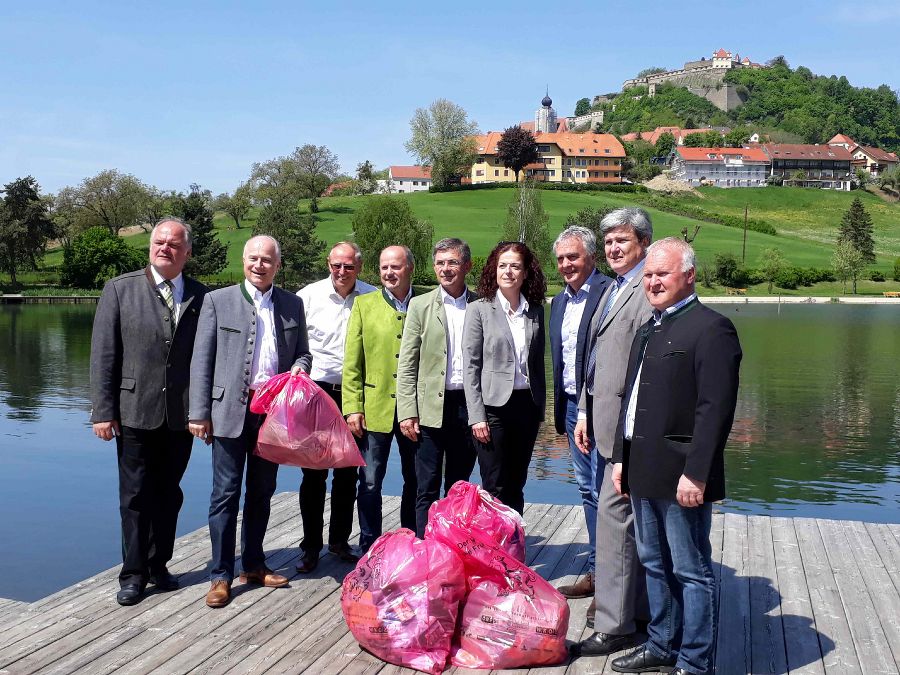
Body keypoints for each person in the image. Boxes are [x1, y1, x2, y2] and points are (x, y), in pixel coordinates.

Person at [608, 238, 741, 675]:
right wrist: (619, 459)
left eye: (661, 273)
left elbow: (714, 409)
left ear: (689, 275)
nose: (652, 282)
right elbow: (632, 402)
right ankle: (662, 643)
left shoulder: (711, 327)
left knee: (691, 570)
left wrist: (697, 474)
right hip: (642, 469)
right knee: (653, 563)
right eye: (647, 275)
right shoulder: (650, 328)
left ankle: (695, 660)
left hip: (683, 475)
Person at [189, 235, 312, 608]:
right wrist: (198, 413)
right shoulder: (217, 300)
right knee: (225, 494)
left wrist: (299, 369)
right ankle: (220, 575)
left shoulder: (293, 304)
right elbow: (201, 360)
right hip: (228, 413)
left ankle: (254, 565)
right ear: (244, 261)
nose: (259, 265)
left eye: (267, 260)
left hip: (273, 414)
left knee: (261, 492)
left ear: (278, 264)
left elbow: (304, 353)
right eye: (253, 259)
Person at [90, 217, 208, 606]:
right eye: (159, 242)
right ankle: (133, 574)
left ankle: (160, 564)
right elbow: (104, 355)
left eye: (174, 244)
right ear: (150, 246)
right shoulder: (120, 290)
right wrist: (103, 411)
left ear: (186, 253)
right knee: (135, 495)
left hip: (181, 415)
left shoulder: (200, 296)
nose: (165, 248)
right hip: (133, 411)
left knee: (169, 494)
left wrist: (204, 410)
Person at [571, 207, 654, 655]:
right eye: (608, 243)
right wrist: (584, 411)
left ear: (642, 242)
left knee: (616, 522)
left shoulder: (648, 288)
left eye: (621, 241)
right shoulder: (614, 288)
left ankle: (616, 624)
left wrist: (626, 433)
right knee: (623, 522)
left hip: (630, 432)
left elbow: (643, 370)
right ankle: (633, 611)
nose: (613, 249)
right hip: (601, 425)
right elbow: (595, 360)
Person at [294, 242, 376, 573]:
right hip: (317, 392)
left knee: (347, 473)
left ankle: (339, 541)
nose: (341, 272)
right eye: (336, 265)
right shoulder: (307, 297)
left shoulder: (372, 297)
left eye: (349, 267)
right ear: (328, 263)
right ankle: (310, 546)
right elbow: (297, 345)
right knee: (313, 475)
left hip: (357, 394)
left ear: (360, 267)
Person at [398, 238, 478, 537]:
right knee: (426, 485)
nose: (446, 269)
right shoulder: (420, 305)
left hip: (467, 407)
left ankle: (454, 548)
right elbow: (407, 363)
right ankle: (425, 550)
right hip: (430, 407)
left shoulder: (481, 304)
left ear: (466, 266)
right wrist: (407, 412)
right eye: (441, 263)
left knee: (458, 486)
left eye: (453, 262)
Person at [549, 226, 612, 600]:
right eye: (560, 259)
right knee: (588, 490)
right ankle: (596, 571)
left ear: (591, 257)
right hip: (572, 408)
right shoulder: (559, 302)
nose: (566, 264)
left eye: (573, 256)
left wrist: (589, 410)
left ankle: (612, 578)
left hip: (600, 409)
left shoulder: (609, 293)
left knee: (607, 492)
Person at [343, 245, 418, 552]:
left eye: (395, 267)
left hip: (416, 410)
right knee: (370, 481)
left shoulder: (426, 303)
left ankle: (412, 542)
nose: (389, 272)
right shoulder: (364, 304)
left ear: (410, 268)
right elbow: (352, 363)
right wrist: (352, 408)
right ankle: (369, 545)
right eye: (384, 267)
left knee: (416, 481)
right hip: (374, 409)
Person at [462, 241, 546, 515]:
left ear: (525, 273)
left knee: (517, 482)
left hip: (527, 406)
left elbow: (536, 363)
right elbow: (471, 366)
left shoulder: (535, 310)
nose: (508, 271)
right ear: (493, 270)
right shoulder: (479, 309)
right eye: (503, 265)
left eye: (515, 266)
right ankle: (494, 551)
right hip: (493, 408)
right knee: (495, 484)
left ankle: (513, 546)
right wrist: (476, 416)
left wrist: (540, 408)